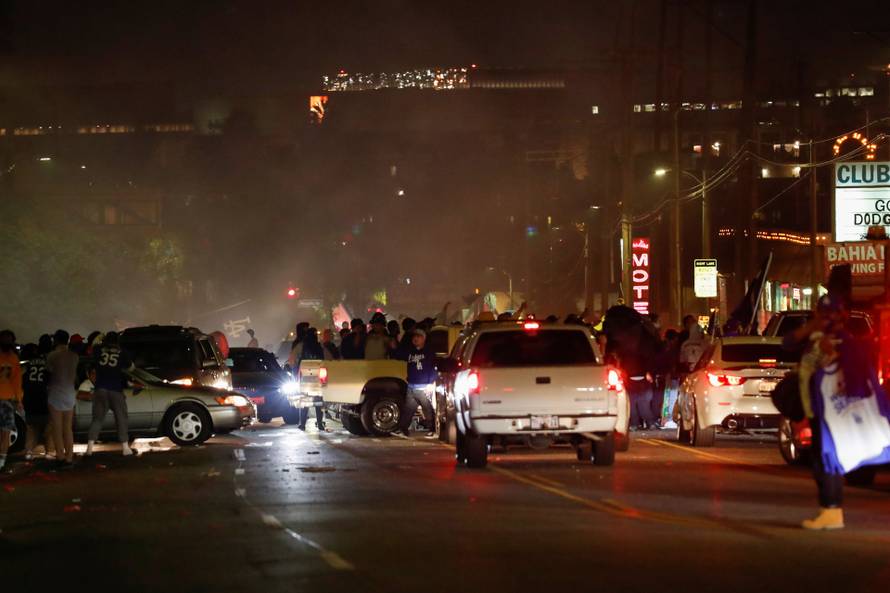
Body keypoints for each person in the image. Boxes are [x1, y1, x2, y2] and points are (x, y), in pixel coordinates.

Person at [87, 331, 135, 456]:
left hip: (100, 389)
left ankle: (89, 449)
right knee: (121, 418)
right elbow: (131, 368)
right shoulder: (122, 353)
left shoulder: (98, 350)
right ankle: (125, 448)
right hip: (115, 389)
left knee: (97, 419)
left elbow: (91, 349)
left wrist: (99, 339)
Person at [45, 329, 80, 466]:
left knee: (57, 427)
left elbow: (49, 372)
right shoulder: (74, 356)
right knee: (68, 428)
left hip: (55, 394)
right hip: (70, 394)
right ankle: (69, 456)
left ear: (56, 340)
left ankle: (60, 455)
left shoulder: (52, 355)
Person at [396, 328, 437, 437]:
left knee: (427, 408)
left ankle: (432, 429)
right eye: (414, 336)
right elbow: (399, 354)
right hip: (412, 385)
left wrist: (430, 382)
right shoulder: (410, 352)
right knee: (409, 409)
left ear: (424, 338)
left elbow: (434, 368)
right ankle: (403, 429)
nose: (415, 338)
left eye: (418, 336)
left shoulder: (429, 352)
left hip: (424, 386)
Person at [21, 343, 54, 460]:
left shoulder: (26, 364)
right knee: (49, 427)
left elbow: (22, 382)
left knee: (31, 427)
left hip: (29, 399)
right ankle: (49, 452)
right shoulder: (47, 364)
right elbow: (51, 381)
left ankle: (29, 452)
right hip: (44, 398)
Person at [0, 330, 24, 471]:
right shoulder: (14, 358)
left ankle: (2, 462)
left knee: (5, 432)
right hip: (7, 400)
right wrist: (19, 400)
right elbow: (17, 382)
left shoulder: (14, 358)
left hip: (7, 400)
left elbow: (16, 381)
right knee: (5, 432)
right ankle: (1, 462)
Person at [297, 329, 326, 431]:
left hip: (306, 379)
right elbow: (323, 362)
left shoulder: (304, 347)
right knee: (318, 403)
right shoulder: (318, 347)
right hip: (316, 378)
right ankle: (320, 424)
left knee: (305, 403)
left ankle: (303, 424)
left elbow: (299, 363)